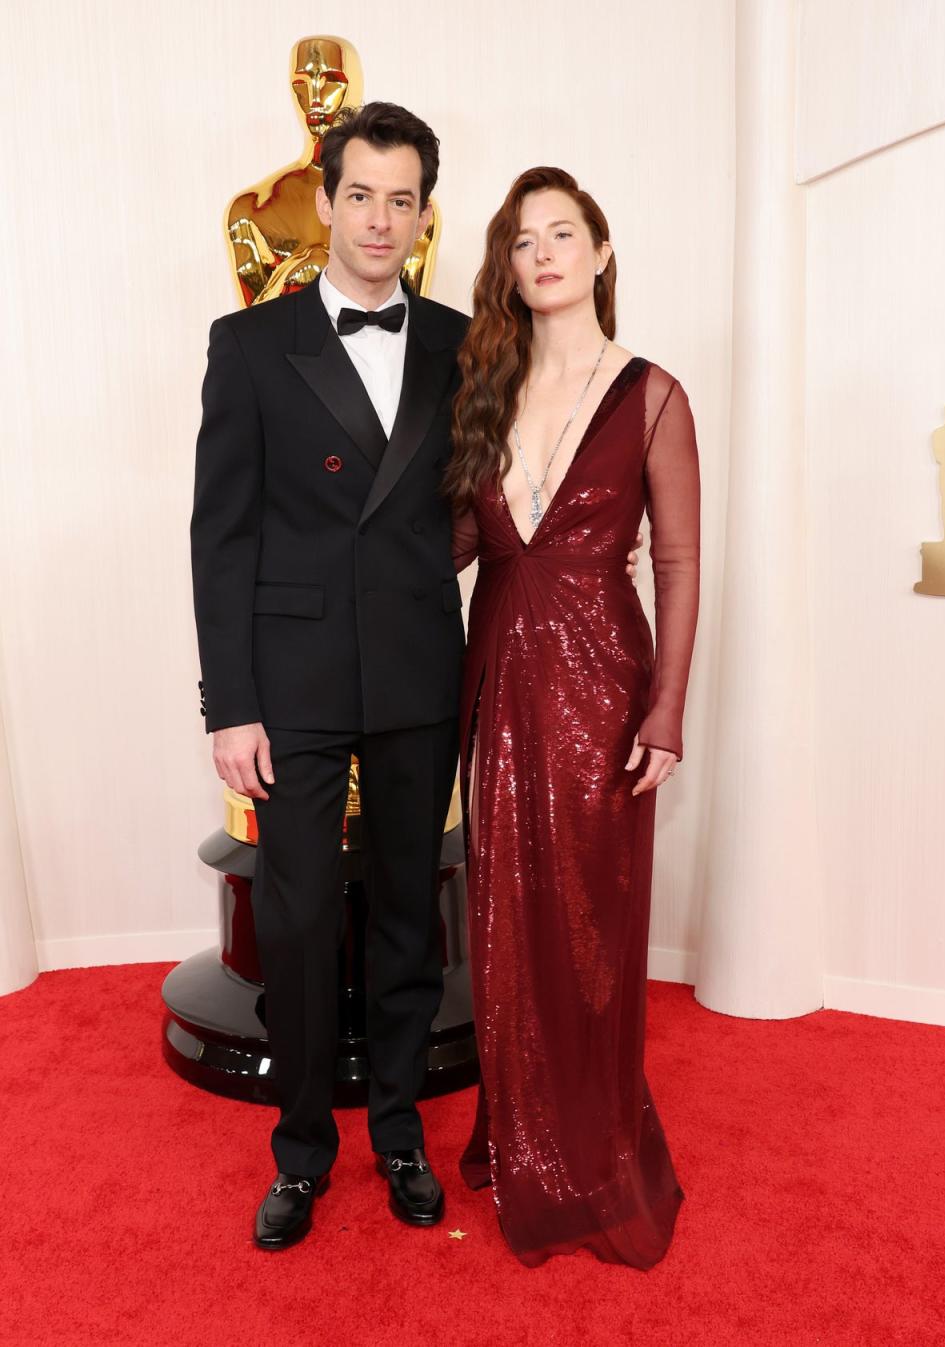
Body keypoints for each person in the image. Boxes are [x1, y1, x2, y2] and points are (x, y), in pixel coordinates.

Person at [192, 102, 470, 1249]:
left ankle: (399, 1133)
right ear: (326, 197)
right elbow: (222, 533)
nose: (380, 219)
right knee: (303, 922)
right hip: (293, 679)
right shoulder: (249, 342)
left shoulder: (463, 341)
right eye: (362, 194)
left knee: (409, 914)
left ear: (421, 213)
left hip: (416, 667)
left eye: (403, 200)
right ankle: (302, 1153)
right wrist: (232, 705)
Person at [446, 167, 701, 1269]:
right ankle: (518, 1129)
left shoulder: (652, 393)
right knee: (503, 912)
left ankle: (592, 1147)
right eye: (522, 240)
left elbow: (682, 562)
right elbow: (451, 547)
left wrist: (668, 710)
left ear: (600, 254)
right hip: (496, 678)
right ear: (507, 267)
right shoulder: (483, 389)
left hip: (604, 683)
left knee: (594, 923)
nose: (543, 252)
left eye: (564, 234)